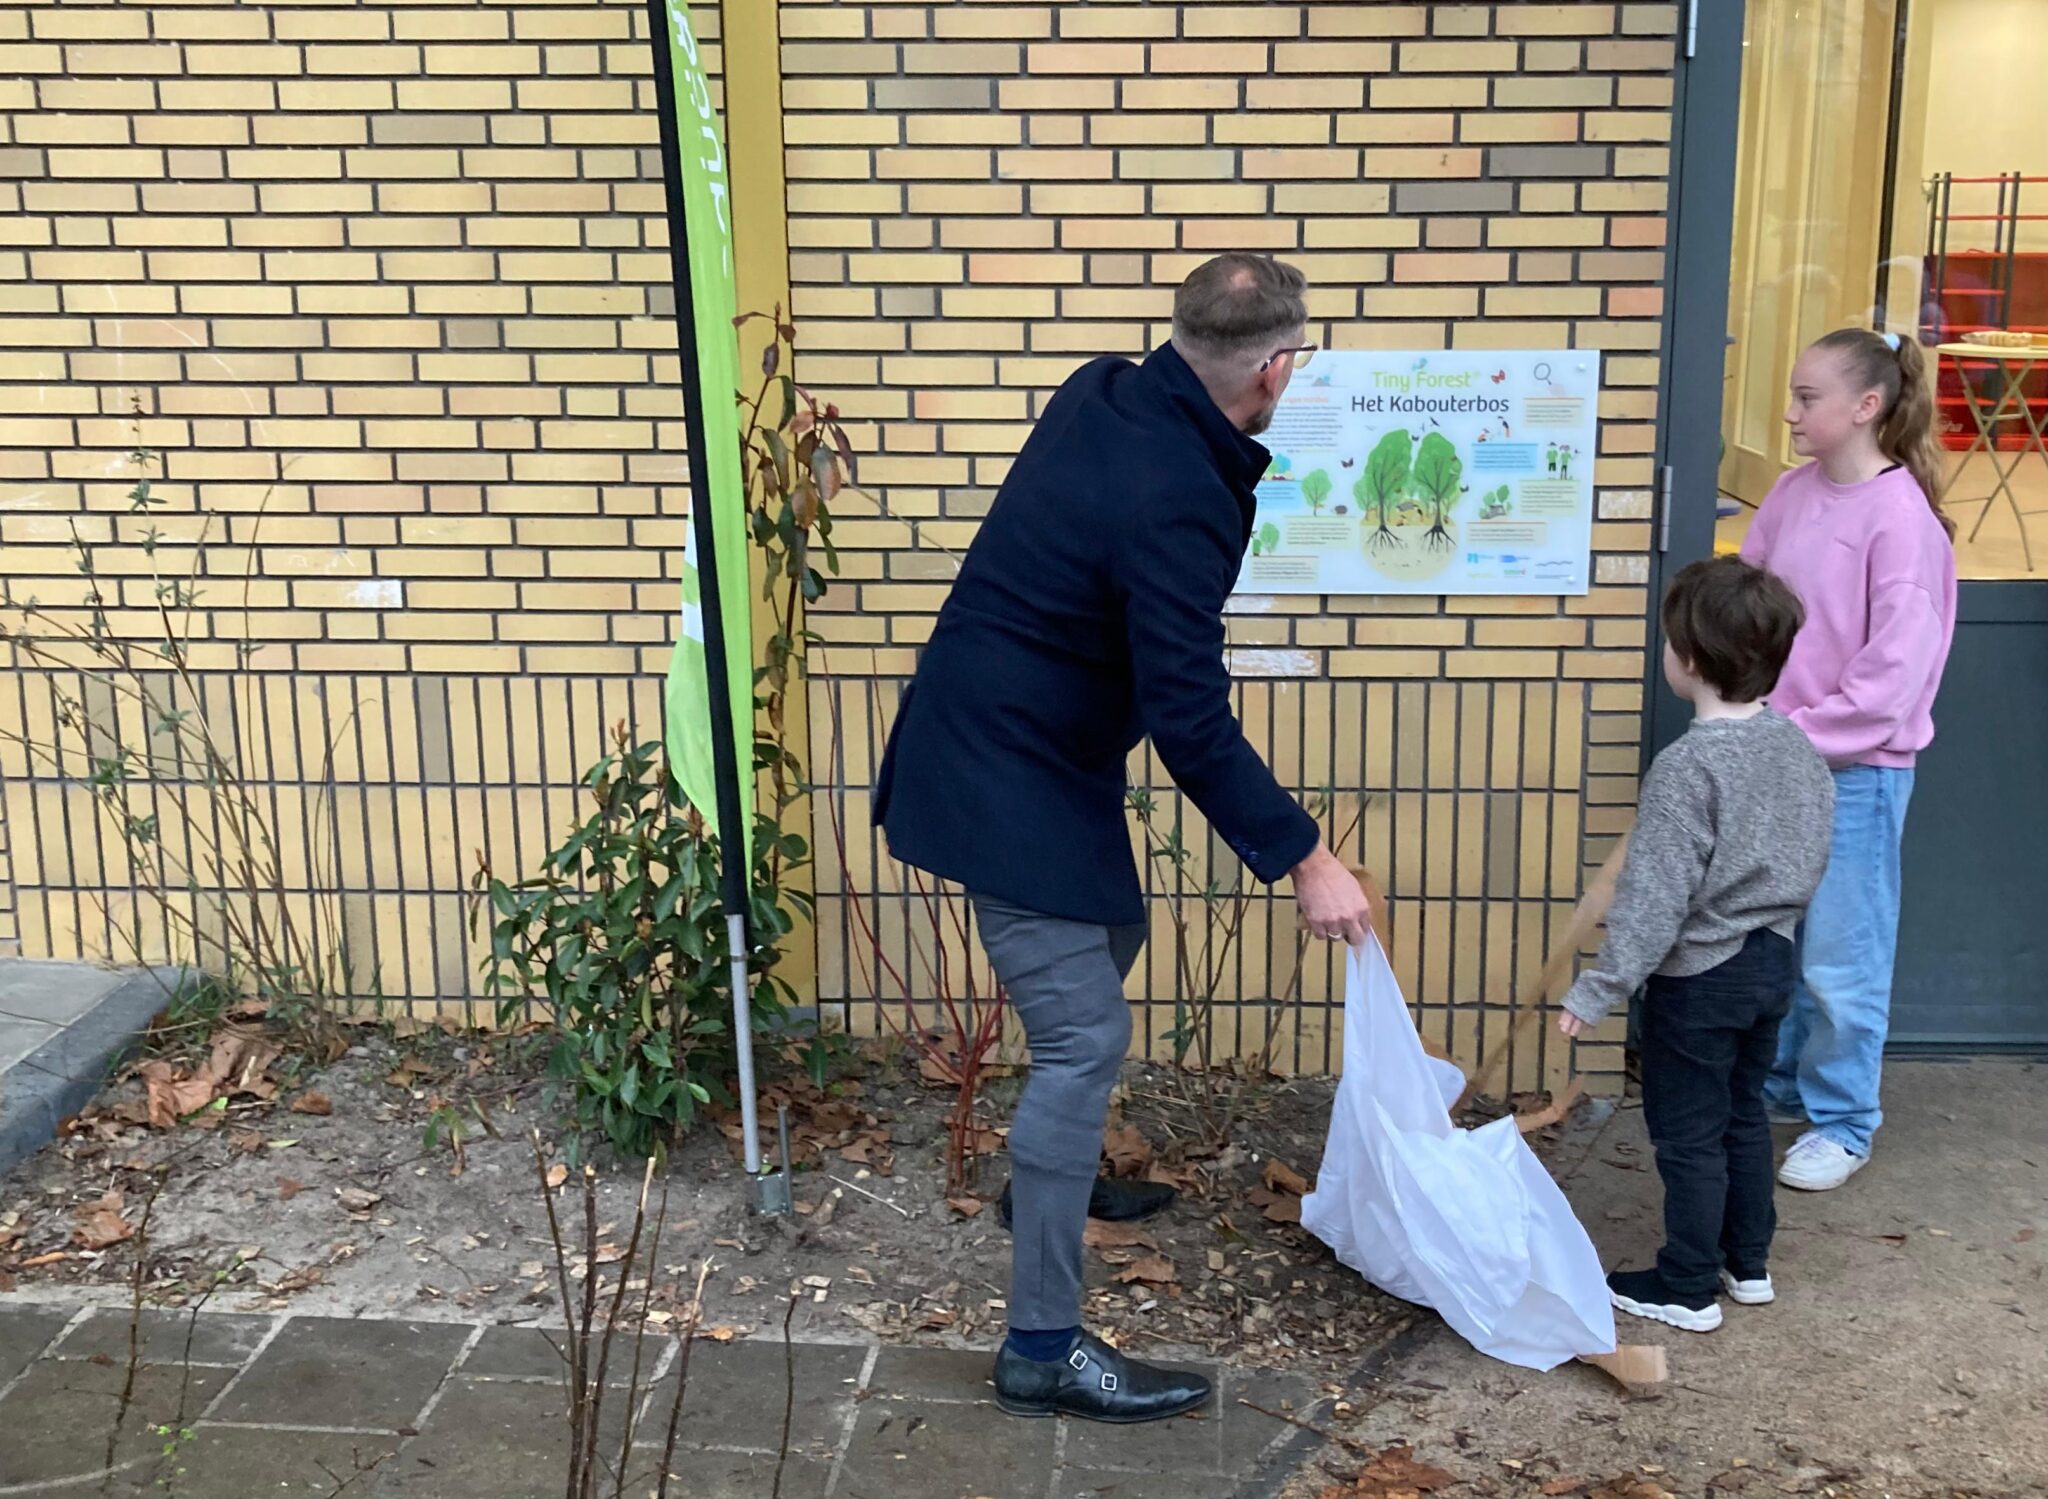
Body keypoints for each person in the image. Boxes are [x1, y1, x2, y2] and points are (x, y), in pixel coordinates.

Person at [874, 253, 1370, 1423]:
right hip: (1004, 771)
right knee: (1084, 1037)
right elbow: (1189, 716)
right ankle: (1041, 1344)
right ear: (1278, 368)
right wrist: (1306, 855)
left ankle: (1051, 1175)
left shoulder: (1105, 387)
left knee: (1115, 926)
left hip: (1027, 741)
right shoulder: (1175, 496)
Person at [1558, 556, 1834, 1333]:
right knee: (1742, 1114)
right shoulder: (1798, 749)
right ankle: (1748, 1263)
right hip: (1771, 958)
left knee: (1687, 1135)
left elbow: (1654, 899)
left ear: (1691, 659)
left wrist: (1598, 988)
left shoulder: (1687, 768)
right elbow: (1812, 855)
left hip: (1700, 976)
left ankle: (1683, 1284)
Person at [1739, 328, 1958, 1192]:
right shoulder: (1792, 495)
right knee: (1781, 939)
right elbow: (1746, 605)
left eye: (1806, 399)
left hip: (1856, 772)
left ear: (1867, 406)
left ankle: (1844, 1118)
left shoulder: (1904, 524)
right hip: (1779, 755)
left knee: (1843, 954)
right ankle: (1790, 1081)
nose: (1790, 414)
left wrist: (1787, 732)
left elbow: (1892, 681)